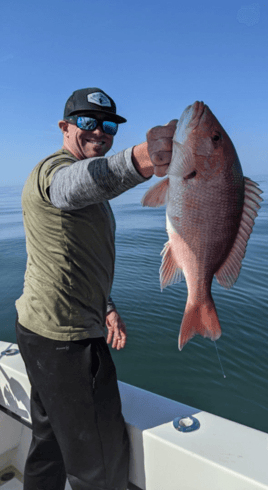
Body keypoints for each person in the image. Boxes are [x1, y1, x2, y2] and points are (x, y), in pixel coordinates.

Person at [15, 87, 177, 490]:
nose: (99, 133)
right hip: (66, 340)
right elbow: (75, 185)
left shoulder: (86, 188)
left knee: (48, 442)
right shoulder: (52, 173)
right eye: (88, 123)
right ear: (64, 127)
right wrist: (143, 158)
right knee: (99, 464)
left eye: (108, 127)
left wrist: (106, 304)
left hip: (39, 329)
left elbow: (75, 255)